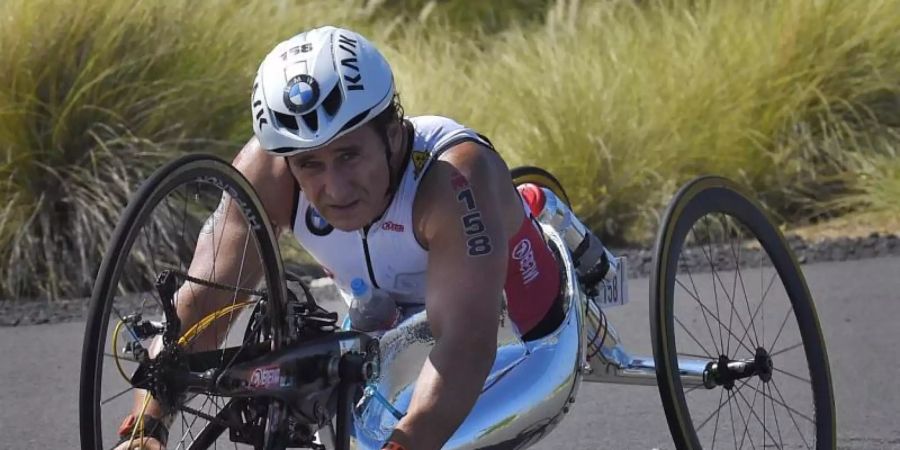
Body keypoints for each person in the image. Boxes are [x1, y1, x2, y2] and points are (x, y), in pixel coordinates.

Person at [114, 26, 587, 450]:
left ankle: (537, 211)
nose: (334, 189)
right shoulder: (269, 172)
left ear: (394, 133)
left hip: (520, 335)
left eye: (349, 155)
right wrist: (147, 427)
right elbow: (199, 307)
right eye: (311, 165)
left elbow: (466, 343)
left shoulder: (451, 178)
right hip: (386, 331)